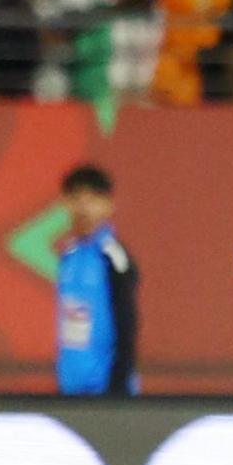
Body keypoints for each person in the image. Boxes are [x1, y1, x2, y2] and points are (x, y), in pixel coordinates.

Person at [55, 163, 139, 396]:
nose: (83, 208)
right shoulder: (68, 257)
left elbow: (127, 324)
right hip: (70, 390)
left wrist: (118, 387)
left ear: (108, 206)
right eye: (76, 198)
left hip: (107, 391)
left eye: (92, 199)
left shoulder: (113, 257)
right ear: (65, 203)